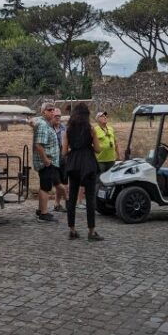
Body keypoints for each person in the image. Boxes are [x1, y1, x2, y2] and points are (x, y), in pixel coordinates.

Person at [62, 103, 103, 241]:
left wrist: (74, 150)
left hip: (73, 163)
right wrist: (89, 143)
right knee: (90, 198)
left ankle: (72, 230)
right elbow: (98, 149)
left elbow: (64, 151)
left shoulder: (68, 130)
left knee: (72, 198)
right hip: (88, 163)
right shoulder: (91, 129)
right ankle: (91, 231)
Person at [33, 102, 61, 222]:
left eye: (53, 110)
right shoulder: (44, 125)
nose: (52, 112)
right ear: (43, 111)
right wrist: (45, 160)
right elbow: (39, 145)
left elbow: (34, 120)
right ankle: (44, 214)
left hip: (48, 162)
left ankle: (40, 210)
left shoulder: (44, 122)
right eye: (49, 110)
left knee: (43, 187)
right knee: (45, 188)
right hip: (46, 163)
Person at [51, 108, 68, 212]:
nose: (58, 118)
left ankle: (57, 204)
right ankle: (68, 199)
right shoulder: (48, 128)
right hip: (52, 159)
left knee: (63, 181)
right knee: (57, 182)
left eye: (59, 116)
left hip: (63, 159)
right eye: (56, 116)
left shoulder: (64, 128)